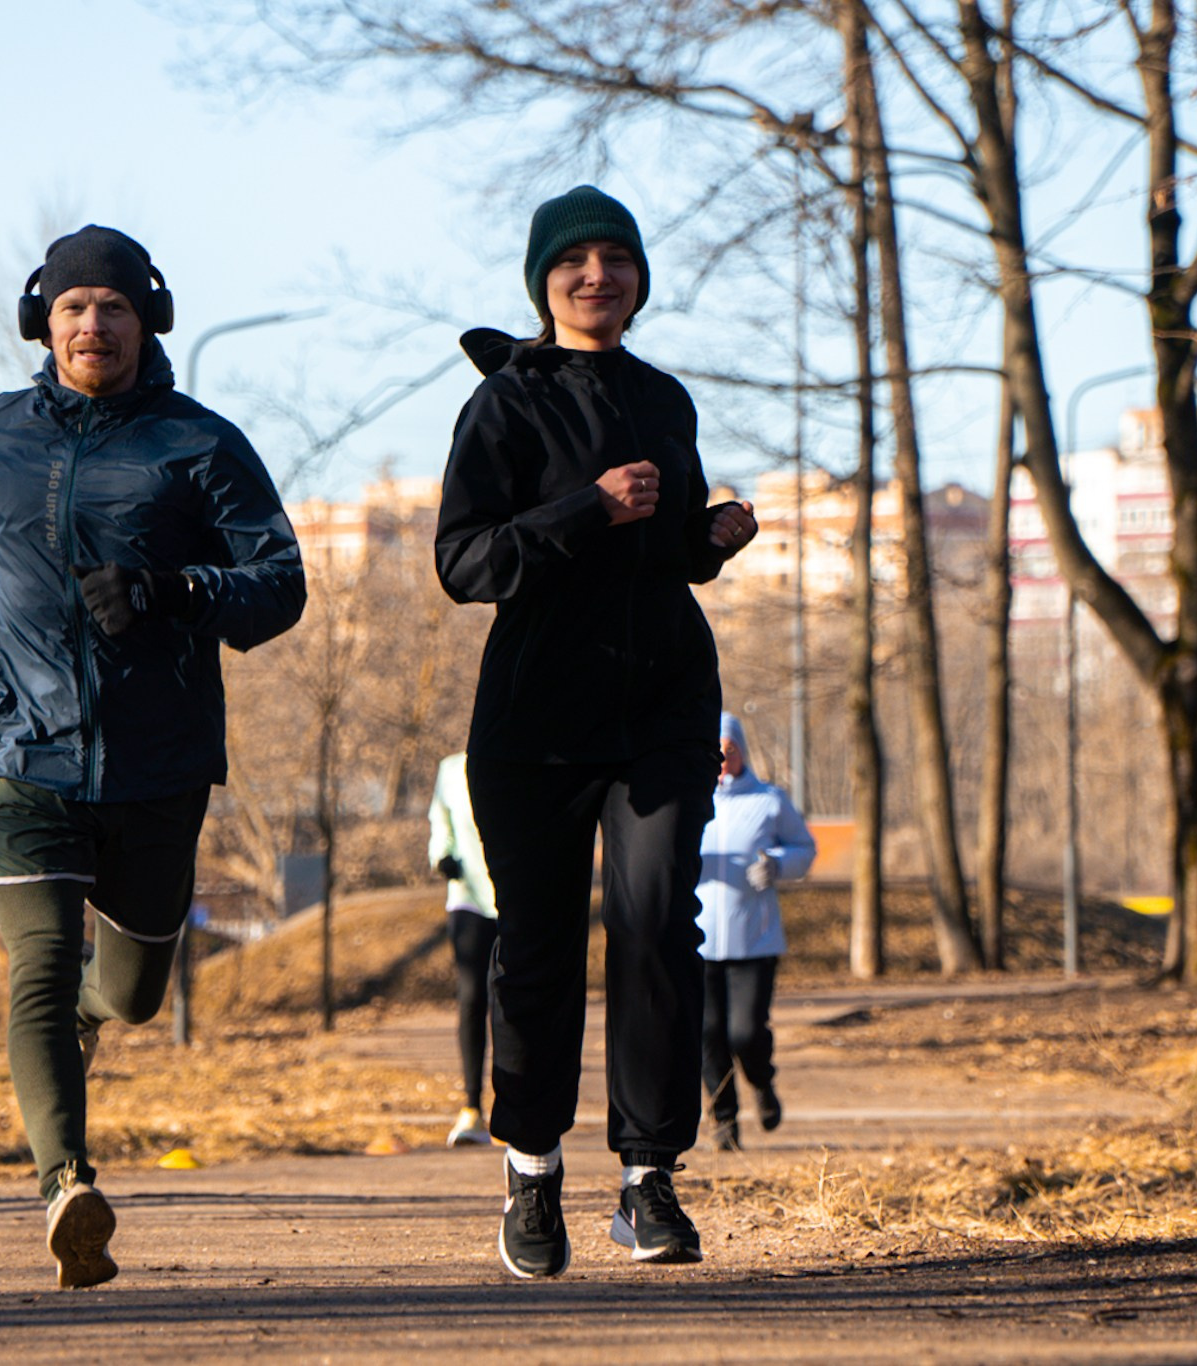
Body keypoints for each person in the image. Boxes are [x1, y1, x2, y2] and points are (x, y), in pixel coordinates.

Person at [0, 224, 305, 1289]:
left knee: (127, 994)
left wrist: (173, 592)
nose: (93, 323)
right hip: (20, 748)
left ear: (145, 320)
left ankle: (93, 1017)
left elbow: (279, 584)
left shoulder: (198, 443)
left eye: (114, 306)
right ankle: (66, 1183)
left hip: (158, 759)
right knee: (36, 960)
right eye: (75, 305)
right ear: (44, 319)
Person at [435, 185, 759, 1278]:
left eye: (615, 258)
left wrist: (706, 540)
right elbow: (463, 563)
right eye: (572, 261)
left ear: (636, 280)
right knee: (535, 952)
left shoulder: (665, 398)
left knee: (659, 921)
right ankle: (531, 1170)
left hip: (660, 707)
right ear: (542, 283)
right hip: (534, 721)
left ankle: (646, 1179)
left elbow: (660, 553)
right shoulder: (504, 405)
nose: (595, 276)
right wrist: (586, 506)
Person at [697, 713, 816, 1152]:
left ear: (742, 750)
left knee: (744, 1032)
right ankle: (724, 1121)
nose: (724, 759)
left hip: (755, 939)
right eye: (717, 751)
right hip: (700, 938)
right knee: (707, 1034)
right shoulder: (693, 798)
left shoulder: (769, 800)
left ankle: (762, 1083)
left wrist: (779, 864)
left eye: (730, 749)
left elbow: (805, 847)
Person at [428, 751, 498, 1148]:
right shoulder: (451, 769)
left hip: (513, 897)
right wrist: (441, 857)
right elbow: (441, 821)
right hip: (467, 898)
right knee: (472, 997)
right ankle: (472, 1106)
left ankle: (514, 1102)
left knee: (511, 999)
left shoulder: (516, 757)